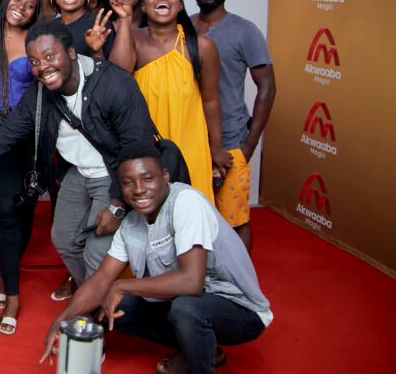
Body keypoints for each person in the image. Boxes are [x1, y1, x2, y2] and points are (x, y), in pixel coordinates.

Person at [0, 19, 155, 294]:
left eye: (50, 56)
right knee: (63, 239)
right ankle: (95, 295)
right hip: (78, 171)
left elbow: (137, 145)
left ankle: (97, 307)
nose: (43, 67)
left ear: (70, 52)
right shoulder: (40, 93)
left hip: (114, 174)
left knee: (98, 249)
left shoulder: (113, 83)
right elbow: (10, 128)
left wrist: (117, 204)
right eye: (34, 61)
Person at [40, 144, 272, 374]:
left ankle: (199, 364)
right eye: (128, 182)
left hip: (240, 310)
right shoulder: (131, 224)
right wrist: (61, 321)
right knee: (109, 305)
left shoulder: (186, 201)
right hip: (189, 303)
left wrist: (121, 286)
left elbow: (192, 282)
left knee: (186, 309)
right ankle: (202, 348)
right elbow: (101, 279)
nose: (139, 189)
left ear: (165, 176)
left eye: (147, 178)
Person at [105, 0, 227, 202]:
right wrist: (125, 20)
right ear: (143, 7)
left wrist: (216, 148)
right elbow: (116, 76)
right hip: (145, 144)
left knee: (190, 208)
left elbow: (211, 100)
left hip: (190, 143)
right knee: (148, 207)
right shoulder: (133, 39)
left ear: (180, 5)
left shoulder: (202, 46)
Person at [191, 0, 275, 249]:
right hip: (189, 139)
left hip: (229, 140)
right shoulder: (183, 26)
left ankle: (241, 278)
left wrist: (250, 143)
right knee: (192, 218)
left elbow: (267, 87)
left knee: (234, 220)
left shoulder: (245, 30)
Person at [0, 0, 41, 334]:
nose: (22, 7)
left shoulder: (37, 41)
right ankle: (12, 293)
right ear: (4, 0)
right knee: (5, 209)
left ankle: (8, 268)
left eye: (30, 5)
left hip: (30, 135)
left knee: (26, 206)